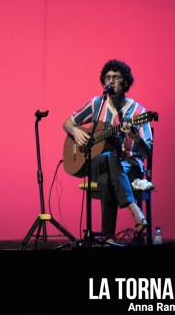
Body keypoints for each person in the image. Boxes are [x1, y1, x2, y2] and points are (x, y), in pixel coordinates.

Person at [63, 59, 152, 244]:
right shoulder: (97, 104)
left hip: (130, 167)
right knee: (108, 159)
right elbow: (67, 123)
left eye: (116, 77)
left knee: (106, 178)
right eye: (107, 78)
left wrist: (135, 137)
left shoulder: (138, 112)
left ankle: (108, 238)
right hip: (96, 163)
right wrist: (77, 131)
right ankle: (134, 208)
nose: (111, 81)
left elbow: (147, 152)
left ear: (125, 82)